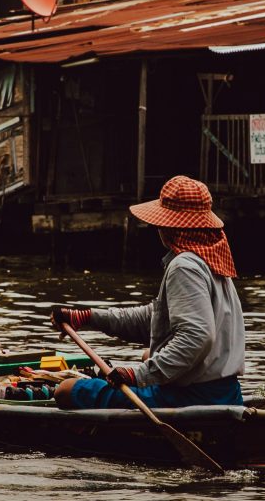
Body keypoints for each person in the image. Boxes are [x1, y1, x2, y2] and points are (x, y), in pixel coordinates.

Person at [50, 174, 245, 410]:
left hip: (193, 397)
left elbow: (196, 337)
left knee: (65, 390)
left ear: (168, 226)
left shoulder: (184, 266)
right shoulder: (211, 261)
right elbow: (156, 319)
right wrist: (87, 318)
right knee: (147, 355)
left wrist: (138, 375)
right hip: (227, 392)